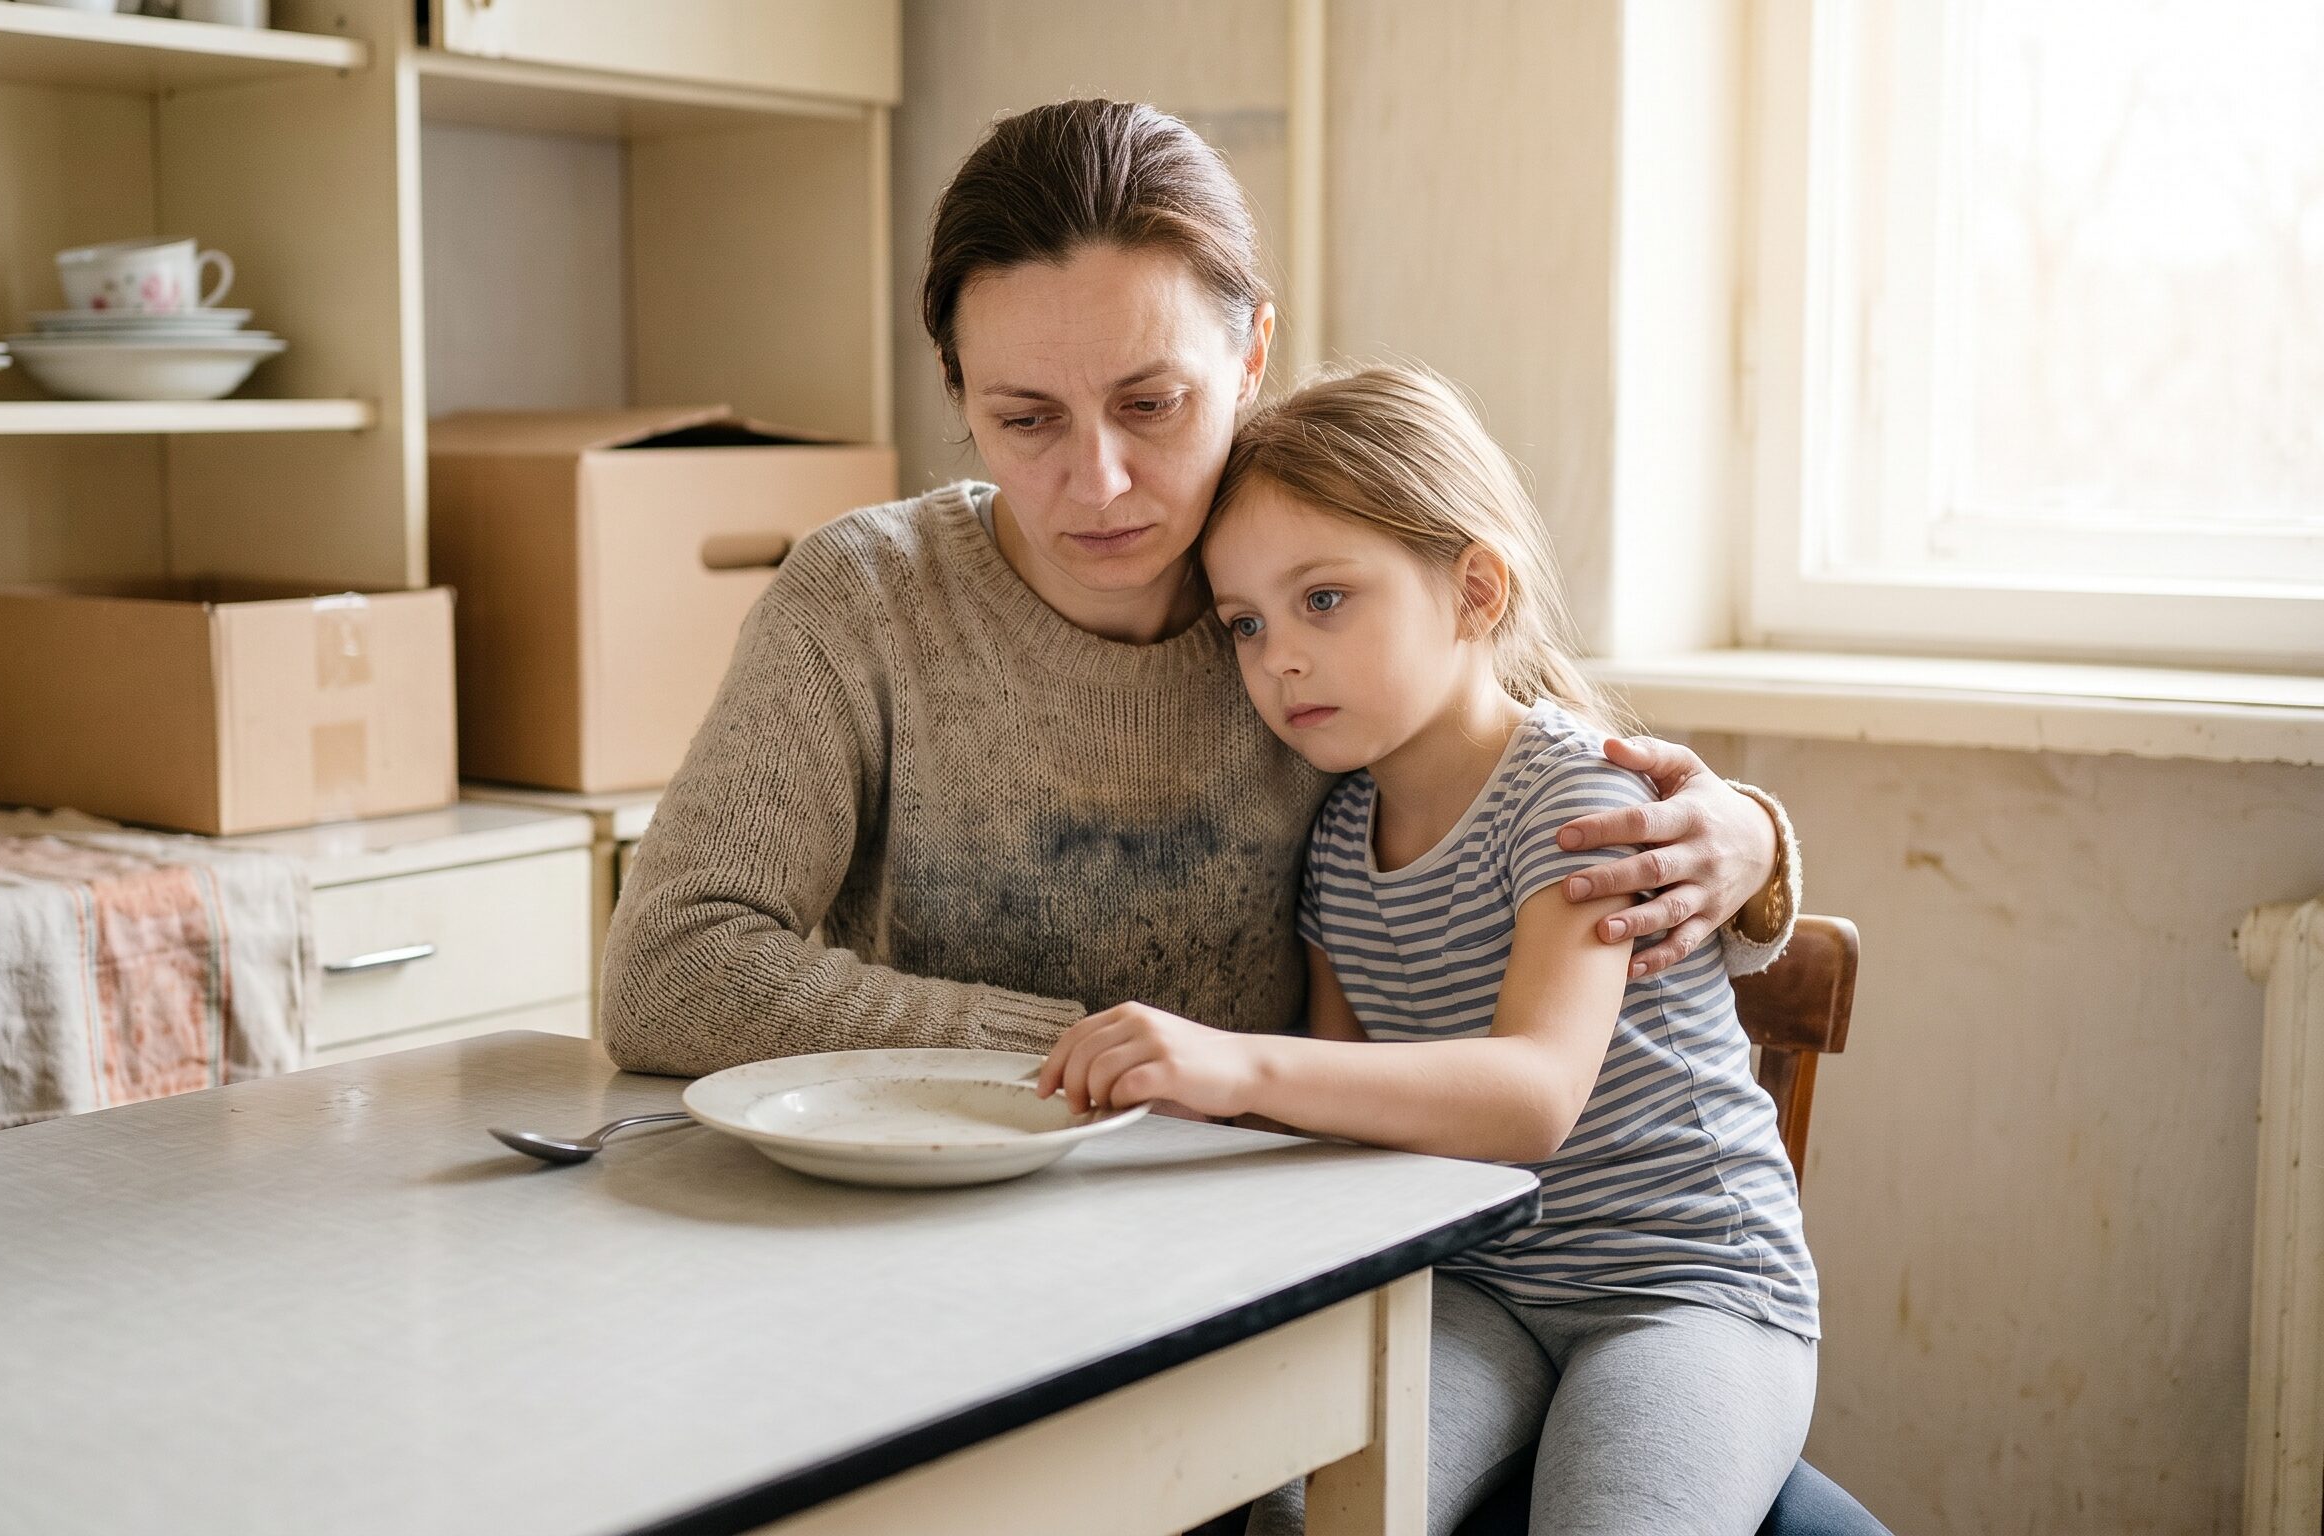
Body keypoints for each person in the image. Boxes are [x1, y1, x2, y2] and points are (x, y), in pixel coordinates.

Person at [598, 98, 1799, 1087]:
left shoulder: (1323, 579)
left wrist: (1748, 840)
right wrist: (1068, 1055)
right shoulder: (863, 600)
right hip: (943, 1225)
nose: (1098, 482)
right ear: (957, 395)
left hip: (1258, 1225)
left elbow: (1524, 753)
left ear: (1251, 357)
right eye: (1024, 420)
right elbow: (668, 972)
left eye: (1150, 403)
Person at [1039, 364, 1818, 1535]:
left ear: (1473, 590)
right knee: (1300, 1512)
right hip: (1478, 1289)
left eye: (1324, 600)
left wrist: (1234, 1064)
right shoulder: (1336, 841)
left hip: (1684, 1292)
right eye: (1246, 623)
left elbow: (1530, 1096)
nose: (1278, 657)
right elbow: (1355, 1137)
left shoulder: (1575, 798)